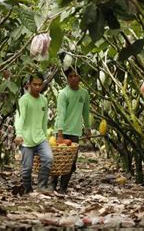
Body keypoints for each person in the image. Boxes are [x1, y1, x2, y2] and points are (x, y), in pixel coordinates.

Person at [51, 66, 91, 194]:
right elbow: (61, 114)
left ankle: (63, 189)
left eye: (75, 76)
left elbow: (85, 112)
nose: (73, 78)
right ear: (67, 79)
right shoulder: (63, 93)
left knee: (70, 163)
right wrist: (60, 134)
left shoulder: (84, 93)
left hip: (75, 132)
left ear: (80, 77)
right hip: (62, 131)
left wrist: (88, 129)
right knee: (58, 161)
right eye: (70, 76)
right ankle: (52, 187)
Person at [14, 72, 53, 193]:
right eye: (34, 84)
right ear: (29, 84)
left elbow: (44, 120)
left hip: (40, 137)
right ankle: (27, 188)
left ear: (43, 85)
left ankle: (42, 185)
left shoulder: (44, 100)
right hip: (26, 139)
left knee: (48, 158)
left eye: (39, 85)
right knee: (27, 168)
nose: (37, 87)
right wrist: (19, 134)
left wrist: (45, 136)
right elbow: (20, 118)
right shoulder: (24, 100)